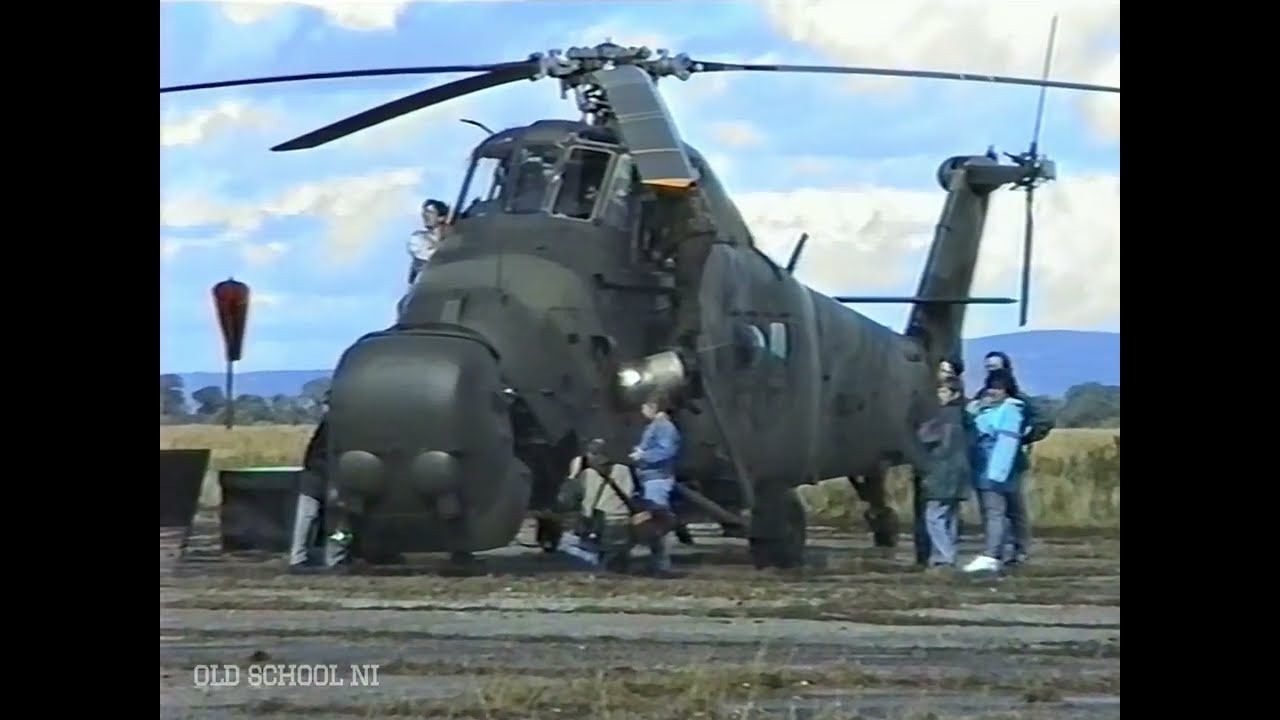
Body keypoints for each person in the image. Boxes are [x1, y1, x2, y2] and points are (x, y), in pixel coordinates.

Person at [963, 370, 1025, 573]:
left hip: (995, 471)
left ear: (1007, 391)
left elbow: (1006, 445)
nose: (993, 392)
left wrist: (997, 474)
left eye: (998, 388)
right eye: (991, 387)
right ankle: (1002, 552)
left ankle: (991, 555)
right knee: (995, 514)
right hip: (981, 469)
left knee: (996, 514)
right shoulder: (984, 409)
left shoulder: (1010, 411)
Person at [915, 376, 974, 570]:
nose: (938, 395)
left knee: (934, 516)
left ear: (954, 394)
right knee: (951, 516)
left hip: (941, 472)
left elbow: (923, 438)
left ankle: (944, 556)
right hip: (961, 472)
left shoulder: (939, 417)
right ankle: (949, 554)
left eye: (943, 391)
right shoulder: (964, 416)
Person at [557, 438, 638, 572]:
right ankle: (614, 565)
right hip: (624, 521)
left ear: (591, 455)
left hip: (601, 521)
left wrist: (572, 474)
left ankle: (596, 566)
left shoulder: (587, 474)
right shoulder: (624, 470)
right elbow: (632, 491)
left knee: (565, 545)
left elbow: (566, 499)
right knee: (615, 550)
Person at [629, 394, 683, 576]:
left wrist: (642, 456)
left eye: (644, 407)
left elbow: (667, 451)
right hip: (652, 477)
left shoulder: (664, 427)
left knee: (659, 521)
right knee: (655, 521)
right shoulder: (657, 426)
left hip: (657, 478)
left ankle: (661, 565)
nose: (642, 411)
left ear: (653, 407)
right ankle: (657, 562)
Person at [287, 414, 329, 573]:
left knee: (307, 517)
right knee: (308, 516)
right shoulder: (334, 423)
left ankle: (300, 556)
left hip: (318, 473)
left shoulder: (329, 422)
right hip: (318, 474)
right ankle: (299, 557)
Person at [407, 199, 449, 284]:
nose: (425, 215)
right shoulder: (418, 238)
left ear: (441, 218)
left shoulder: (450, 235)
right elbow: (428, 256)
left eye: (430, 212)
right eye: (424, 212)